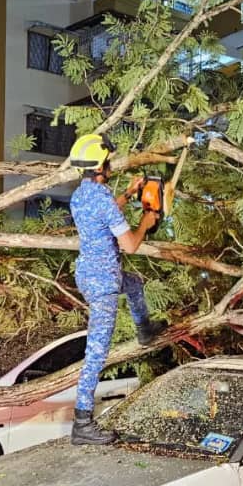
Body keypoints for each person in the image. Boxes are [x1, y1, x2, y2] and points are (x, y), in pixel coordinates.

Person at [67, 133, 164, 445]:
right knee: (96, 352)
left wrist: (129, 192)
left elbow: (106, 211)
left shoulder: (81, 195)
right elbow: (131, 245)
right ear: (100, 166)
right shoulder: (102, 199)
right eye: (107, 162)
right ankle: (82, 423)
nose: (110, 165)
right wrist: (148, 221)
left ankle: (145, 329)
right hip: (104, 283)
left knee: (134, 284)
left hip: (87, 273)